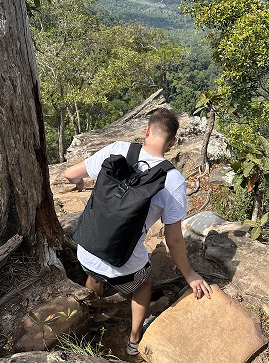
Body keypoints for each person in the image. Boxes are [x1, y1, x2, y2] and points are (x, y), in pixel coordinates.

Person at [64, 108, 212, 356]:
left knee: (96, 271)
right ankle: (134, 340)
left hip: (87, 247)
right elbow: (173, 238)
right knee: (143, 282)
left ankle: (95, 315)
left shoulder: (117, 149)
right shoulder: (172, 180)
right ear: (172, 142)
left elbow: (70, 174)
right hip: (122, 259)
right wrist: (189, 274)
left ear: (146, 131)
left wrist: (81, 183)